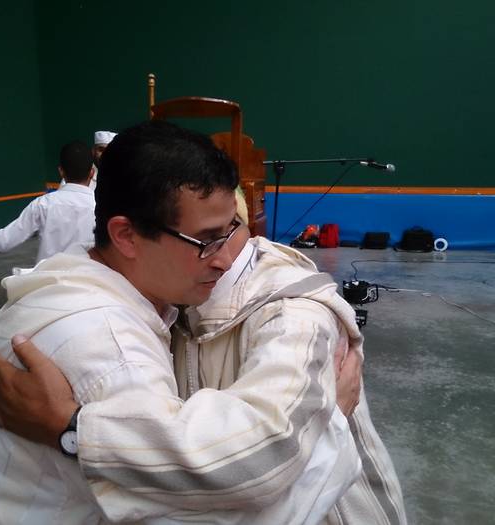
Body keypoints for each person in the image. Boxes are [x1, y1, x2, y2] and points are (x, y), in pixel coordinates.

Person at [0, 121, 360, 524]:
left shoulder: (63, 281)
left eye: (233, 228)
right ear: (126, 235)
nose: (227, 259)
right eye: (206, 240)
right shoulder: (111, 351)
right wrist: (331, 424)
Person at [171, 210, 408, 524]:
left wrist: (334, 422)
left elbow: (268, 465)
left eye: (218, 235)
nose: (221, 257)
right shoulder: (171, 308)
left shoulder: (293, 319)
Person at [0, 140, 96, 263]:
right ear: (92, 172)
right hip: (91, 278)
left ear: (61, 171)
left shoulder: (43, 204)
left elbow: (3, 242)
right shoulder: (100, 207)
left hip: (48, 278)